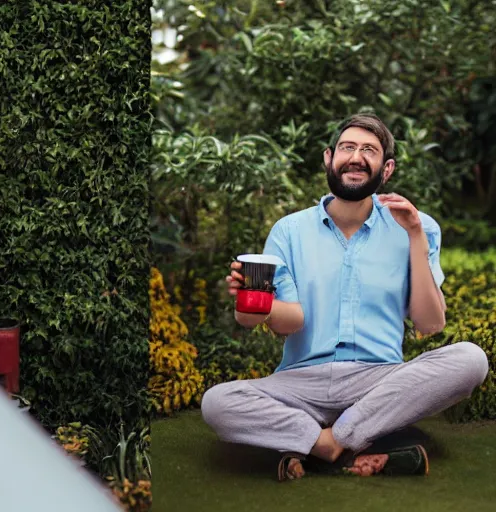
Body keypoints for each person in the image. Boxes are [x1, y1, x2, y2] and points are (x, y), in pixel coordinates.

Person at [202, 113, 489, 479]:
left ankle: (328, 440)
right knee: (217, 403)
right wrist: (256, 304)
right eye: (347, 147)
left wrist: (415, 236)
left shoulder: (417, 226)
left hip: (377, 379)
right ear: (328, 158)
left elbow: (430, 323)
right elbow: (289, 323)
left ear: (386, 169)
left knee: (470, 359)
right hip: (301, 380)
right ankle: (343, 443)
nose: (356, 156)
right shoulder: (289, 231)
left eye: (369, 150)